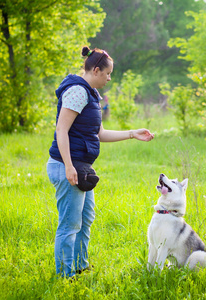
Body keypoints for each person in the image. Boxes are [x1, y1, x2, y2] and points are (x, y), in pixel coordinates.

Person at [46, 46, 154, 279]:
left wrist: (132, 133)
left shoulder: (92, 94)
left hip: (80, 167)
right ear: (96, 70)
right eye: (107, 74)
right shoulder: (77, 91)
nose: (109, 78)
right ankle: (65, 276)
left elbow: (99, 134)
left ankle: (79, 266)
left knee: (85, 219)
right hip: (68, 166)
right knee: (69, 225)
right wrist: (68, 166)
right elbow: (61, 130)